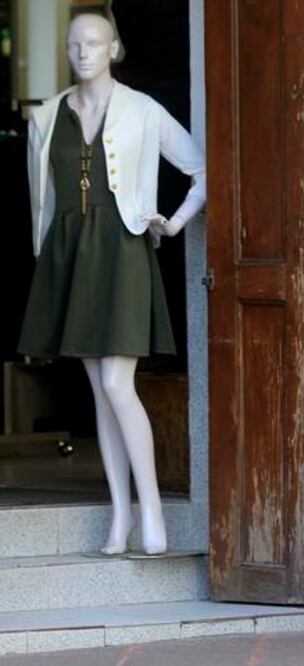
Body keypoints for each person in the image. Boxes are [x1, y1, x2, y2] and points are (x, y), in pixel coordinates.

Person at [18, 13, 205, 555]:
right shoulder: (46, 117)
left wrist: (169, 222)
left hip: (123, 252)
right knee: (100, 392)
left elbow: (202, 171)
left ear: (115, 47)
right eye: (75, 43)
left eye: (94, 42)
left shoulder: (143, 110)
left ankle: (152, 513)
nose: (83, 52)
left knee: (120, 385)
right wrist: (45, 255)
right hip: (69, 256)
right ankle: (120, 516)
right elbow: (43, 198)